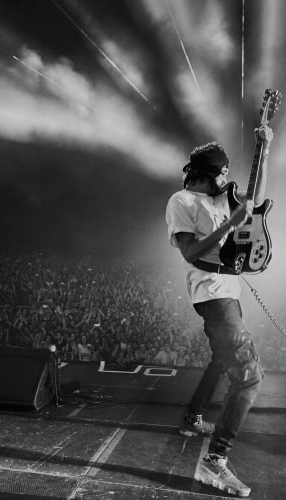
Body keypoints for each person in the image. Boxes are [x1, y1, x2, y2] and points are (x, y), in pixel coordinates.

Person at [165, 124, 273, 497]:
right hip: (211, 294)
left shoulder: (221, 197)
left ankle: (193, 417)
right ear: (207, 173)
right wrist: (229, 224)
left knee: (223, 362)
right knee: (250, 377)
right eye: (223, 172)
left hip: (228, 290)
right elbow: (191, 252)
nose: (227, 178)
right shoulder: (182, 201)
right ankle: (216, 460)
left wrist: (264, 149)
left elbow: (254, 201)